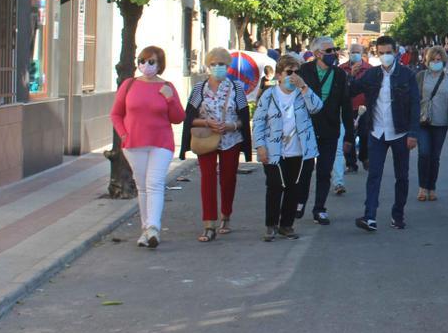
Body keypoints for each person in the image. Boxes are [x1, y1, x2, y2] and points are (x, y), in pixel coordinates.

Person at [110, 46, 185, 249]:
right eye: (142, 61)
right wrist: (124, 135)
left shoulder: (167, 86)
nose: (146, 66)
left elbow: (179, 117)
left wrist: (169, 98)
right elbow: (116, 114)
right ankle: (146, 231)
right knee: (142, 186)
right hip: (134, 144)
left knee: (155, 183)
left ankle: (153, 227)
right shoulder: (129, 85)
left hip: (161, 143)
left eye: (151, 62)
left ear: (160, 64)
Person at [350, 35, 420, 231]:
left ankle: (398, 215)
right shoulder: (371, 74)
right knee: (374, 175)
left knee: (402, 176)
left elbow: (415, 104)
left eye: (388, 53)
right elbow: (351, 92)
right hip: (377, 132)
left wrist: (413, 133)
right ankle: (369, 216)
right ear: (376, 54)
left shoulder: (407, 75)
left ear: (396, 53)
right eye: (381, 53)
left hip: (400, 132)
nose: (385, 56)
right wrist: (353, 75)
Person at [181, 48, 251, 243]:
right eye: (214, 64)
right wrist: (207, 123)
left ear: (228, 66)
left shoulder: (237, 88)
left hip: (231, 140)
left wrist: (232, 125)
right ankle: (209, 224)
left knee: (228, 179)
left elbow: (244, 117)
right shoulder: (198, 89)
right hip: (206, 139)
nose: (218, 67)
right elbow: (189, 118)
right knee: (207, 179)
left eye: (222, 64)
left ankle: (226, 215)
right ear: (208, 66)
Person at [253, 53, 323, 242]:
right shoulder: (269, 95)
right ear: (279, 75)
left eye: (296, 72)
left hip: (299, 149)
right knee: (275, 185)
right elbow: (258, 122)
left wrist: (303, 86)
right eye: (289, 72)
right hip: (274, 149)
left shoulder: (303, 93)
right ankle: (271, 225)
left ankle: (287, 225)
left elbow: (317, 107)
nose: (292, 75)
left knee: (294, 187)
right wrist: (260, 146)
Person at [296, 37, 355, 226]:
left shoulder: (339, 74)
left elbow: (346, 106)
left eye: (335, 50)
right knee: (304, 170)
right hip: (307, 128)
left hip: (330, 129)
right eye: (329, 51)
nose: (334, 54)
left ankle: (319, 209)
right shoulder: (304, 71)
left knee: (324, 171)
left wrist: (349, 136)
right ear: (317, 54)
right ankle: (300, 201)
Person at [415, 46, 448, 202]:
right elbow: (414, 99)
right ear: (428, 61)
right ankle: (422, 187)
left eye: (439, 60)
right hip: (423, 122)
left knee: (435, 157)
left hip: (441, 122)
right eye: (433, 60)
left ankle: (431, 187)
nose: (436, 62)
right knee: (424, 154)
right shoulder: (421, 76)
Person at [339, 43, 373, 182]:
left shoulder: (369, 69)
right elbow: (341, 87)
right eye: (352, 51)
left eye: (357, 51)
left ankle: (364, 156)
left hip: (364, 107)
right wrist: (350, 74)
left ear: (362, 53)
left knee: (364, 134)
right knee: (349, 136)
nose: (354, 54)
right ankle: (351, 163)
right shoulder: (342, 69)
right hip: (348, 107)